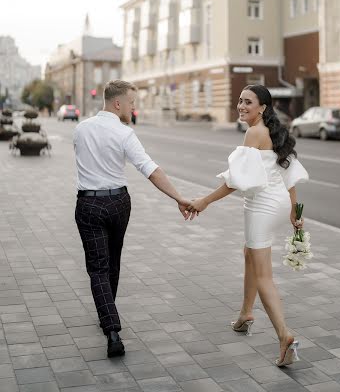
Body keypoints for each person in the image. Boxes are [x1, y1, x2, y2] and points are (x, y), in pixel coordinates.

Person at [188, 85, 308, 367]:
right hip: (278, 203)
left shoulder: (254, 133)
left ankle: (284, 336)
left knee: (264, 274)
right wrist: (294, 212)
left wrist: (205, 201)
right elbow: (288, 175)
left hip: (262, 208)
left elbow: (234, 181)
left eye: (248, 102)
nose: (241, 106)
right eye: (240, 101)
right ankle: (245, 314)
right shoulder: (275, 132)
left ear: (263, 107)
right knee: (249, 254)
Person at [73, 80, 195, 358]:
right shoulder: (125, 133)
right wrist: (179, 198)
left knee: (98, 268)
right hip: (118, 203)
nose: (134, 106)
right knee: (112, 260)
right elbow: (150, 170)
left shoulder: (81, 129)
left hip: (89, 204)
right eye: (132, 102)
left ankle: (110, 326)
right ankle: (109, 315)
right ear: (118, 104)